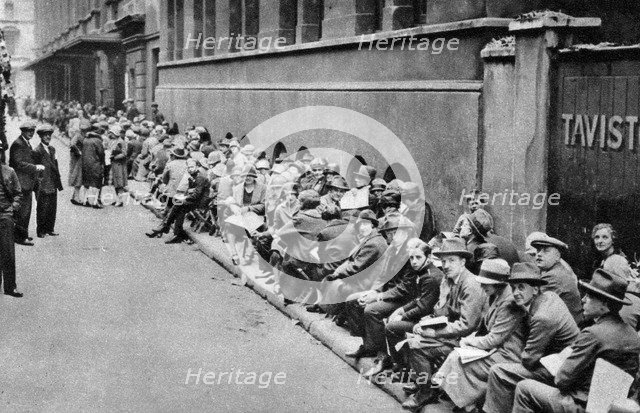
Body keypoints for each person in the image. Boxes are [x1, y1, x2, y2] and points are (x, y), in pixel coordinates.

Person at [513, 268, 640, 412]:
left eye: (590, 297)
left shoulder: (594, 333)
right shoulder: (632, 334)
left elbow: (561, 380)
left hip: (583, 405)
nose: (584, 299)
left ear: (604, 304)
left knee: (524, 388)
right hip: (613, 406)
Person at [483, 262, 580, 413]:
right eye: (514, 288)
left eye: (521, 287)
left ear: (535, 289)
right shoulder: (549, 296)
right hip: (563, 360)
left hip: (560, 369)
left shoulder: (543, 317)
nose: (515, 293)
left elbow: (528, 360)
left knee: (498, 371)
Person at [401, 238, 485, 411]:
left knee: (417, 346)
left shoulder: (470, 285)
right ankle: (424, 383)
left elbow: (467, 325)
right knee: (412, 337)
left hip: (468, 340)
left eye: (452, 260)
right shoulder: (449, 280)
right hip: (454, 333)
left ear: (463, 262)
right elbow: (442, 312)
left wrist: (435, 332)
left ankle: (426, 391)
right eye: (444, 261)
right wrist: (428, 321)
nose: (446, 265)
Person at [434, 259, 527, 411]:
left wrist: (470, 342)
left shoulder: (509, 303)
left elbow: (495, 338)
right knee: (456, 356)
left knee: (461, 361)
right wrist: (472, 340)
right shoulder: (497, 295)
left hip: (509, 354)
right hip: (497, 348)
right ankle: (465, 401)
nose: (482, 286)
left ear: (499, 283)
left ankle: (468, 403)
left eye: (486, 283)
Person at [146, 158, 209, 243]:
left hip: (201, 202)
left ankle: (165, 226)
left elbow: (197, 194)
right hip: (194, 200)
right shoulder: (193, 176)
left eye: (192, 167)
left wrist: (185, 198)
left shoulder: (200, 177)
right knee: (180, 209)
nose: (190, 169)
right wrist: (185, 196)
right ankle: (176, 234)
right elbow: (191, 191)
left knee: (178, 204)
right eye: (188, 167)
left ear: (197, 167)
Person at [530, 233, 584, 325]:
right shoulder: (557, 270)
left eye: (546, 251)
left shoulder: (553, 276)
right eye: (538, 250)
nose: (539, 254)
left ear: (557, 257)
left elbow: (533, 306)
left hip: (566, 330)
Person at [9, 120, 43, 245]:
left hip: (26, 182)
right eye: (28, 131)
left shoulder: (25, 143)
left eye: (32, 131)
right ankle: (20, 237)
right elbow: (18, 163)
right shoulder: (19, 144)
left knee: (25, 210)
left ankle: (23, 235)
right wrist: (35, 167)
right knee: (23, 211)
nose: (31, 133)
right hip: (21, 182)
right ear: (23, 131)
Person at [32, 124, 62, 237]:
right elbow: (35, 169)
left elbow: (56, 165)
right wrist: (37, 184)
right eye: (45, 135)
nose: (48, 137)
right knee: (42, 207)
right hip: (43, 182)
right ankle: (41, 230)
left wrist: (57, 181)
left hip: (52, 182)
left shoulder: (52, 149)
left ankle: (50, 228)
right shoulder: (37, 151)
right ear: (41, 136)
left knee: (52, 207)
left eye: (49, 135)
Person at [0, 158, 24, 297]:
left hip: (5, 215)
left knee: (8, 252)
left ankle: (10, 287)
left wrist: (12, 208)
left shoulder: (9, 172)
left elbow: (18, 194)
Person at [81, 128, 106, 208]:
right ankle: (95, 202)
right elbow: (101, 153)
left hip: (85, 163)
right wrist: (102, 163)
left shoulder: (85, 139)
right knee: (96, 182)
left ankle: (85, 200)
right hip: (95, 163)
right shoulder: (97, 141)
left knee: (86, 182)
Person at [69, 119, 90, 205]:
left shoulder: (86, 135)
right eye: (83, 129)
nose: (84, 130)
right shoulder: (78, 135)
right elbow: (72, 144)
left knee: (83, 178)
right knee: (78, 177)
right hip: (79, 159)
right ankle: (76, 197)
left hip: (84, 158)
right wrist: (78, 151)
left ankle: (75, 196)